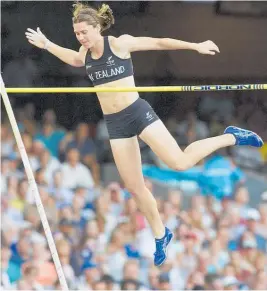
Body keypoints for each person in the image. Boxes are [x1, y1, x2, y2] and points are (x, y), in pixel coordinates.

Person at [25, 2, 263, 266]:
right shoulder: (85, 52)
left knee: (180, 162)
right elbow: (73, 59)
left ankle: (231, 137)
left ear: (97, 29)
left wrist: (195, 46)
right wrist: (47, 44)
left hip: (137, 112)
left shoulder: (119, 44)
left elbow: (160, 43)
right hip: (116, 124)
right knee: (135, 187)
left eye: (84, 32)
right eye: (77, 34)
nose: (80, 38)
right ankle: (161, 234)